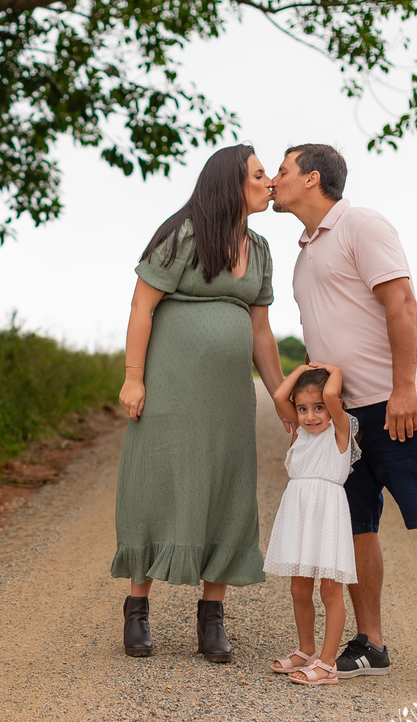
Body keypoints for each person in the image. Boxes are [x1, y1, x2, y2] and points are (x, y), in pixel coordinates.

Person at [270, 143, 417, 697]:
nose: (274, 179)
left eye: (283, 170)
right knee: (356, 526)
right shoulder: (303, 253)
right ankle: (370, 642)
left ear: (313, 178)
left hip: (394, 405)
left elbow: (402, 304)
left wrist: (401, 390)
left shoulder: (361, 225)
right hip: (339, 420)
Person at [115, 143, 285, 663]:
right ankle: (138, 610)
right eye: (260, 175)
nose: (269, 183)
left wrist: (280, 396)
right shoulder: (182, 233)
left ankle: (212, 619)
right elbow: (142, 307)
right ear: (232, 183)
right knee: (156, 484)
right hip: (169, 387)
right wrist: (133, 379)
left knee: (226, 488)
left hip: (228, 398)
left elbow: (261, 330)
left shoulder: (258, 249)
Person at [265, 364, 359, 686]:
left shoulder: (341, 430)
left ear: (334, 408)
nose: (310, 416)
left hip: (327, 513)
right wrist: (302, 369)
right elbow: (279, 395)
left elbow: (332, 392)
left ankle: (328, 664)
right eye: (303, 409)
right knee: (298, 588)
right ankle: (306, 651)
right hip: (300, 512)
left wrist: (332, 369)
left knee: (330, 591)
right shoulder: (300, 432)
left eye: (318, 408)